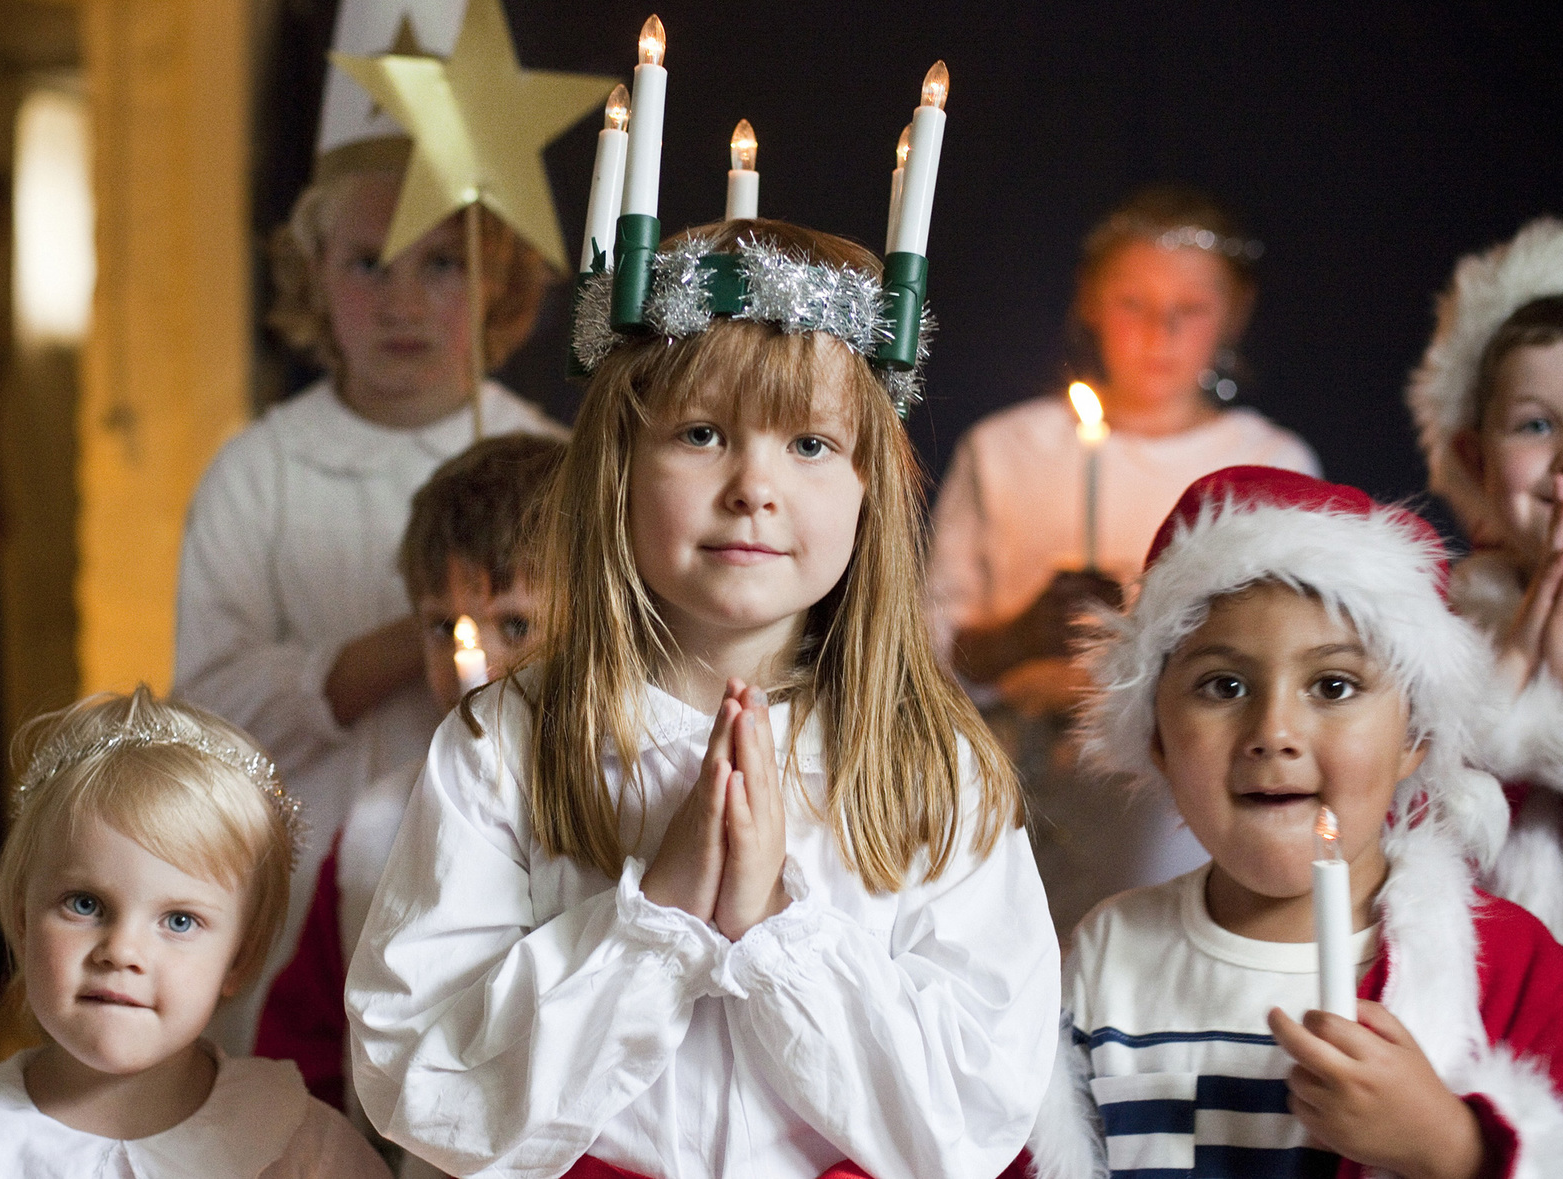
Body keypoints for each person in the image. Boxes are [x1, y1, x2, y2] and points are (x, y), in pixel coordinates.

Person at [345, 221, 1060, 1179]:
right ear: (618, 466)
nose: (753, 487)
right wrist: (660, 920)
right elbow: (417, 1080)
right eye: (701, 433)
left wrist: (775, 929)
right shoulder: (505, 742)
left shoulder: (935, 764)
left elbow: (973, 1115)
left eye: (810, 441)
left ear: (868, 489)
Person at [1026, 466, 1563, 1179]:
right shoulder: (1106, 955)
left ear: (1416, 735)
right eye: (1224, 685)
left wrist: (1451, 1145)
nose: (1274, 730)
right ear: (1157, 735)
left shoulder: (1510, 960)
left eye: (1333, 685)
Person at [175, 158, 568, 1052]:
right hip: (310, 878)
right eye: (367, 263)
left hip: (513, 878)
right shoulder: (260, 472)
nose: (401, 302)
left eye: (441, 264)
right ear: (314, 270)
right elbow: (209, 711)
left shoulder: (551, 460)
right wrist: (424, 632)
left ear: (495, 277)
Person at [927, 185, 1321, 941]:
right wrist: (1018, 638)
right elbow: (926, 646)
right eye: (1133, 303)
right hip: (1016, 800)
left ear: (1233, 315)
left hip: (1172, 820)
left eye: (1191, 309)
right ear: (1091, 304)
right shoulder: (1008, 450)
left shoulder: (1266, 461)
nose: (1160, 333)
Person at [254, 432, 564, 1145]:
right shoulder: (374, 830)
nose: (473, 664)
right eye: (442, 627)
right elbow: (306, 1046)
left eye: (515, 624)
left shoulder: (632, 803)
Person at [0, 687, 391, 1178]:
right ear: (21, 920)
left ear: (238, 960)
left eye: (179, 921)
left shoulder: (299, 1147)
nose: (122, 951)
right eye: (85, 905)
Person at [1407, 217, 1563, 941]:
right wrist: (1511, 665)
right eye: (1536, 426)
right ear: (1474, 456)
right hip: (1494, 988)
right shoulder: (1448, 625)